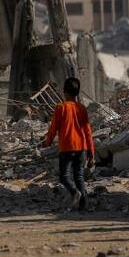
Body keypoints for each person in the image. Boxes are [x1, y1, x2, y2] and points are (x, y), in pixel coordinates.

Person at [41, 76, 95, 211]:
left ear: (64, 92)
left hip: (67, 147)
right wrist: (91, 153)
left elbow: (53, 128)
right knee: (79, 177)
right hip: (81, 147)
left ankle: (74, 192)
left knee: (64, 177)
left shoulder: (61, 108)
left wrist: (47, 142)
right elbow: (88, 132)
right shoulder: (81, 108)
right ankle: (83, 206)